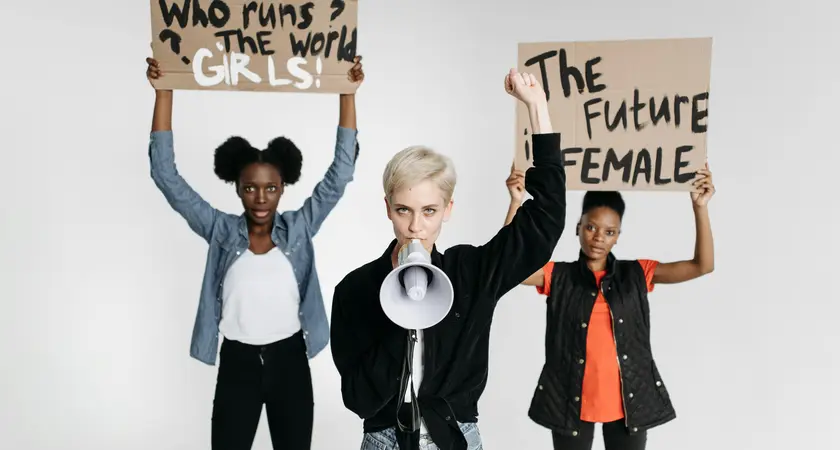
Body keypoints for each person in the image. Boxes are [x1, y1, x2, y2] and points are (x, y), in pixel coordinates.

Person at [329, 69, 567, 450]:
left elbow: (545, 222)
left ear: (448, 210)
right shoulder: (355, 290)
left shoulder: (471, 273)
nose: (415, 227)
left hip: (456, 437)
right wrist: (402, 320)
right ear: (388, 208)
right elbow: (358, 399)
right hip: (384, 441)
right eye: (404, 210)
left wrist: (536, 106)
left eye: (429, 211)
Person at [145, 55, 364, 450]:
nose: (261, 198)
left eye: (271, 188)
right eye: (250, 188)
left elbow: (340, 175)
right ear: (237, 187)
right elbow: (166, 176)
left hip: (290, 361)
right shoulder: (220, 231)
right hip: (237, 364)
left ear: (283, 187)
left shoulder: (299, 228)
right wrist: (164, 91)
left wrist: (347, 93)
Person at [502, 165, 716, 450]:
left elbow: (702, 265)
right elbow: (509, 267)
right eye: (591, 227)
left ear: (618, 236)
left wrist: (700, 206)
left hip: (629, 404)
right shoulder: (559, 276)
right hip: (569, 402)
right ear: (578, 227)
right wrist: (516, 202)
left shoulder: (637, 274)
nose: (598, 237)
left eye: (609, 231)